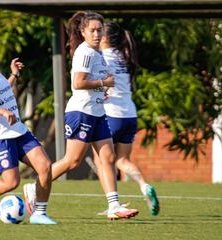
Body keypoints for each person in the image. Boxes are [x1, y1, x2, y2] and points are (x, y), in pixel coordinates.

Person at [23, 12, 139, 220]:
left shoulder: (98, 54)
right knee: (72, 161)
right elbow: (78, 83)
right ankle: (34, 187)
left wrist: (100, 90)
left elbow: (91, 82)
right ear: (83, 32)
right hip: (82, 113)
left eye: (99, 30)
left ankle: (114, 206)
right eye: (92, 30)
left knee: (109, 157)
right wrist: (103, 84)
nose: (96, 34)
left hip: (97, 113)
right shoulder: (85, 52)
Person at [0, 34, 56, 224]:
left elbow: (2, 90)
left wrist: (13, 75)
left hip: (18, 131)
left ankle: (39, 213)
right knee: (11, 182)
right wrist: (1, 111)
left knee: (45, 166)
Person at [93, 22, 160, 216]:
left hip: (110, 114)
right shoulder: (124, 56)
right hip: (129, 114)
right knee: (122, 159)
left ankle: (113, 204)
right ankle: (144, 185)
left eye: (99, 33)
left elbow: (103, 87)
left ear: (104, 38)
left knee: (101, 160)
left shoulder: (102, 57)